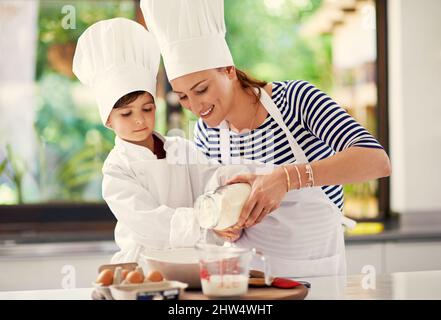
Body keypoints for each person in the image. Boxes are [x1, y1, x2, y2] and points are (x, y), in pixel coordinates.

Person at [141, 0, 392, 277]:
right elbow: (212, 204)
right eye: (183, 97)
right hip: (246, 279)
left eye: (201, 89)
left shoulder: (297, 100)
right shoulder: (205, 132)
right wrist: (220, 223)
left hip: (314, 275)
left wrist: (286, 179)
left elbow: (375, 160)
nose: (196, 106)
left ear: (228, 69)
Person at [72, 18, 241, 264]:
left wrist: (236, 189)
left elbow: (213, 180)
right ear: (108, 120)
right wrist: (205, 221)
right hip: (142, 265)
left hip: (193, 260)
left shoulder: (180, 149)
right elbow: (149, 223)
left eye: (147, 109)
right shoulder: (117, 170)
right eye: (127, 114)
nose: (140, 120)